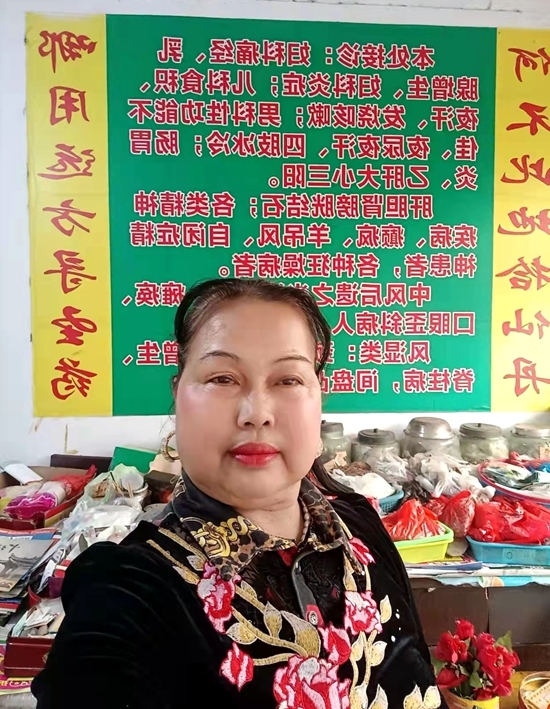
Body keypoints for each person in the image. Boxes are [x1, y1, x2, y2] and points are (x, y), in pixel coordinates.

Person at [33, 278, 445, 709]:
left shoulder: (361, 526)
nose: (257, 414)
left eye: (288, 380)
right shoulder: (128, 595)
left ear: (319, 397)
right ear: (177, 394)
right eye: (222, 378)